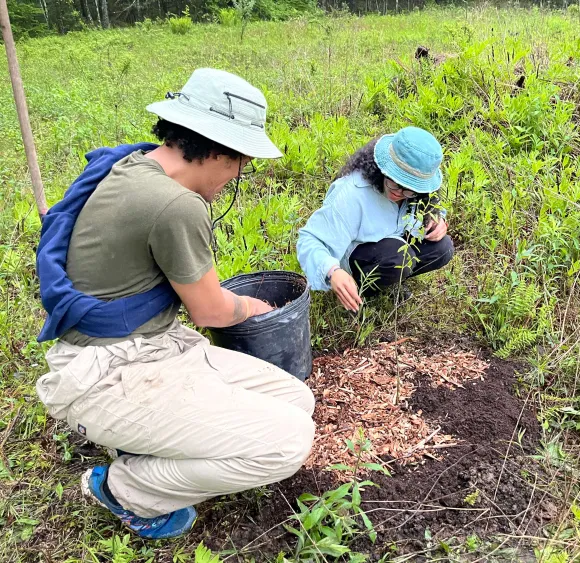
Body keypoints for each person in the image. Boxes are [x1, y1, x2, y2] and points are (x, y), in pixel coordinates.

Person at [34, 68, 315, 539]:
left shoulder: (133, 164)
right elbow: (211, 312)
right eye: (241, 161)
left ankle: (150, 446)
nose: (237, 174)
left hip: (151, 343)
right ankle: (125, 488)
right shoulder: (176, 205)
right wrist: (251, 308)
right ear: (217, 148)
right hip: (105, 373)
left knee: (295, 398)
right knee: (288, 443)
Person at [297, 126, 454, 312]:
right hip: (360, 256)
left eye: (410, 190)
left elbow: (432, 211)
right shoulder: (351, 193)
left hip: (393, 249)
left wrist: (438, 221)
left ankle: (388, 281)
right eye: (394, 184)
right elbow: (309, 240)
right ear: (382, 170)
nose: (399, 194)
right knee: (399, 258)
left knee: (442, 248)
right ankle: (359, 287)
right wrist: (333, 272)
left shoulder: (415, 195)